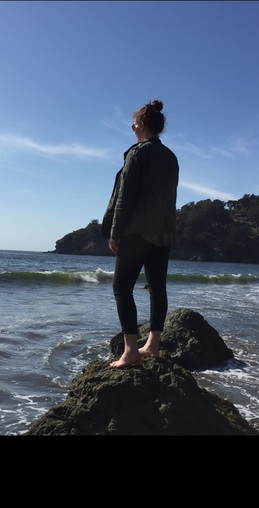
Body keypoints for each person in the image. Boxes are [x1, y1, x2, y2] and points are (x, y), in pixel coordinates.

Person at [102, 99, 179, 368]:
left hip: (137, 230)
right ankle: (153, 346)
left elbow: (125, 196)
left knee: (121, 288)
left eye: (134, 123)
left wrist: (115, 231)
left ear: (143, 124)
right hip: (164, 231)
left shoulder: (138, 153)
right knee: (157, 288)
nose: (133, 127)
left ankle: (130, 351)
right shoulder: (170, 156)